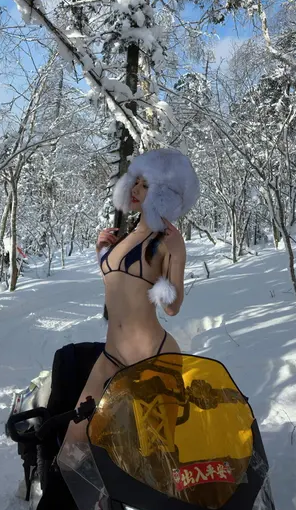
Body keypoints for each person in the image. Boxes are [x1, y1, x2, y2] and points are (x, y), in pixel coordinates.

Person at [64, 147, 200, 442]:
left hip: (153, 358)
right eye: (135, 181)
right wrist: (102, 250)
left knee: (156, 448)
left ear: (165, 193)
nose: (136, 189)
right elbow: (116, 283)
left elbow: (172, 308)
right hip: (112, 354)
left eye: (146, 185)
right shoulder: (126, 238)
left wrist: (177, 254)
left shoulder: (167, 242)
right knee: (77, 438)